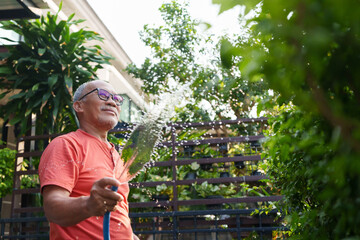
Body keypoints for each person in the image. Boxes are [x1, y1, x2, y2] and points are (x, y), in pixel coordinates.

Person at [39, 80, 140, 240]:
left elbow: (118, 217)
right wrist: (88, 204)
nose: (112, 102)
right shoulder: (66, 145)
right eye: (103, 95)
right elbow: (52, 207)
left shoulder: (117, 156)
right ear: (79, 106)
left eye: (116, 99)